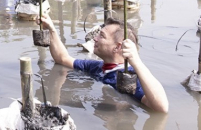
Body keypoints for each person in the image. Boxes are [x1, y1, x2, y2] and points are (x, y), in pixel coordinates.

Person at [38, 14, 169, 113]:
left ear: (118, 47)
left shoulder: (129, 78)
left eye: (101, 36)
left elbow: (161, 108)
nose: (95, 38)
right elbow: (62, 59)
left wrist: (137, 61)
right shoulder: (97, 66)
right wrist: (51, 30)